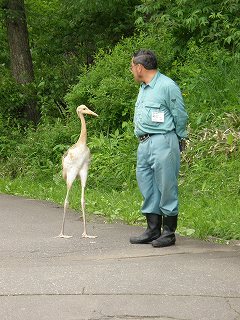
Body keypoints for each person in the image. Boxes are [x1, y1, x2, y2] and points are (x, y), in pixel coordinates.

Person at [129, 49, 188, 247]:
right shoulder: (144, 87)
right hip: (144, 143)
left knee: (166, 186)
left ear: (139, 67)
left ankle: (169, 233)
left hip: (164, 141)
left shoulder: (167, 86)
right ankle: (153, 229)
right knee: (147, 185)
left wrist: (179, 139)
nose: (131, 71)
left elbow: (179, 115)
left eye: (132, 67)